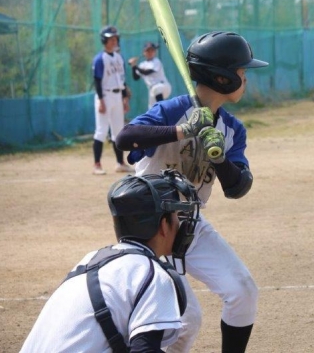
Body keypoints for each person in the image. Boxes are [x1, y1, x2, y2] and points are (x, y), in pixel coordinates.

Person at [115, 31, 268, 353]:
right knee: (186, 318)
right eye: (242, 73)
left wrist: (220, 156)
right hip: (151, 228)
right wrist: (183, 130)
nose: (245, 80)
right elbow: (125, 138)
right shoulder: (173, 110)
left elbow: (238, 187)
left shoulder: (232, 129)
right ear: (223, 78)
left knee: (243, 291)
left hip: (189, 225)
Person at [20, 169, 202, 353]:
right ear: (163, 225)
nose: (180, 224)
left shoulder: (92, 260)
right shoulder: (152, 274)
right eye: (176, 216)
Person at [92, 25, 135, 175]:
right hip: (104, 95)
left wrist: (125, 99)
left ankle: (120, 163)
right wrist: (101, 101)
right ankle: (97, 165)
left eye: (115, 38)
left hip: (117, 96)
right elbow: (97, 81)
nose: (114, 41)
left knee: (118, 131)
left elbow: (122, 80)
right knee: (101, 131)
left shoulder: (118, 58)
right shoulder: (100, 59)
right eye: (111, 38)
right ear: (104, 40)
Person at [128, 41, 173, 109]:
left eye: (152, 50)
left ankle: (163, 109)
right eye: (148, 50)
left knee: (156, 89)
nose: (150, 52)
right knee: (151, 109)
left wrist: (136, 66)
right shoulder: (142, 64)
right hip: (152, 90)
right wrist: (133, 66)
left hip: (163, 86)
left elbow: (147, 72)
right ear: (144, 52)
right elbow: (136, 77)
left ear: (155, 52)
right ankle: (161, 111)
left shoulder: (156, 61)